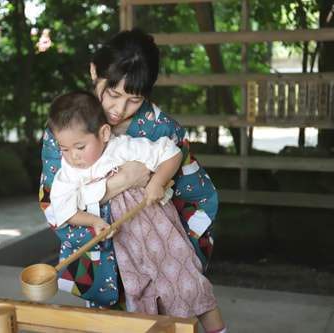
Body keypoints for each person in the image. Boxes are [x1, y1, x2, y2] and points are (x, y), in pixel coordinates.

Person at [39, 29, 225, 332]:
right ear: (94, 70)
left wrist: (176, 247)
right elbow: (53, 202)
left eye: (134, 99)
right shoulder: (69, 127)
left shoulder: (161, 128)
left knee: (175, 312)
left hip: (160, 244)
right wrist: (124, 180)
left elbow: (195, 194)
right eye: (112, 94)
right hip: (105, 252)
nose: (118, 110)